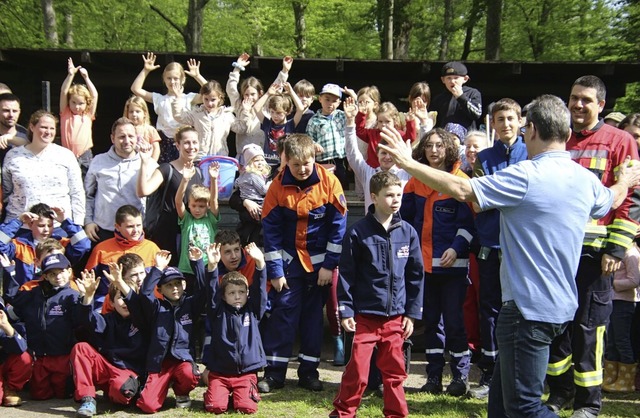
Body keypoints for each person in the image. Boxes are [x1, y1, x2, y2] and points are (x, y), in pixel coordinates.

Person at [378, 94, 640, 418]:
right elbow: (611, 201)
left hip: (526, 312)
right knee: (500, 406)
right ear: (567, 133)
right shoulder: (583, 179)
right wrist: (625, 181)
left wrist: (408, 164)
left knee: (524, 408)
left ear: (530, 130)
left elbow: (462, 191)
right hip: (559, 308)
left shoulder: (526, 176)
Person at [546, 76, 640, 418]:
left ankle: (588, 402)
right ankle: (559, 392)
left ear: (601, 104)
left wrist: (615, 249)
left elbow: (631, 200)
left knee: (589, 329)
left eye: (586, 99)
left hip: (596, 255)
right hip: (556, 253)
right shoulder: (558, 138)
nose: (578, 105)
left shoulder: (620, 141)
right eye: (573, 98)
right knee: (556, 324)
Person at [330, 171, 424, 418]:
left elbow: (416, 277)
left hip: (396, 318)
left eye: (399, 195)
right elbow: (347, 275)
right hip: (364, 318)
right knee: (358, 372)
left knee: (395, 373)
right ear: (374, 197)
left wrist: (412, 314)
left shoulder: (408, 232)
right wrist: (346, 310)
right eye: (389, 195)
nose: (395, 200)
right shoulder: (358, 233)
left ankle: (396, 414)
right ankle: (343, 412)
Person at [259, 133, 347, 393]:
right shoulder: (276, 186)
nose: (301, 169)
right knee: (283, 316)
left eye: (306, 163)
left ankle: (309, 373)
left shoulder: (330, 183)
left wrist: (329, 266)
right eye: (295, 164)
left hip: (320, 267)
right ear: (286, 162)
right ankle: (274, 374)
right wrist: (275, 272)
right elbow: (271, 232)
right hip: (289, 266)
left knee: (311, 320)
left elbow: (338, 229)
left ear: (314, 157)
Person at [402, 128, 475, 397]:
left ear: (448, 149)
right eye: (429, 146)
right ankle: (433, 377)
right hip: (424, 269)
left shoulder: (460, 180)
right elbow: (406, 224)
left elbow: (468, 227)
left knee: (455, 322)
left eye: (439, 146)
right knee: (431, 323)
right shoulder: (414, 182)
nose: (434, 151)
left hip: (452, 269)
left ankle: (460, 377)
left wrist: (456, 249)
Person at [469, 99, 528, 399]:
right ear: (492, 123)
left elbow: (531, 199)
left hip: (523, 246)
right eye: (499, 119)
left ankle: (523, 375)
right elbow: (479, 201)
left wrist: (498, 194)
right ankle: (491, 375)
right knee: (490, 308)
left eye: (510, 118)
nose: (505, 124)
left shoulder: (532, 154)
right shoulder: (484, 157)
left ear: (521, 121)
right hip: (491, 243)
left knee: (521, 307)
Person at [195, 242, 267, 414]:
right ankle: (216, 393)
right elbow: (211, 291)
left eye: (241, 292)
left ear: (247, 294)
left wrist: (260, 263)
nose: (237, 297)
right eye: (231, 293)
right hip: (220, 373)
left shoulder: (253, 310)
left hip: (245, 374)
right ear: (223, 296)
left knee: (247, 408)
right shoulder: (217, 311)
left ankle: (242, 394)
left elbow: (261, 290)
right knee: (216, 407)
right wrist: (212, 266)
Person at [132, 250, 205, 413]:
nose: (174, 289)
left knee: (188, 373)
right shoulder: (156, 308)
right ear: (160, 289)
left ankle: (182, 393)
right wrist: (157, 268)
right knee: (148, 406)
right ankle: (159, 389)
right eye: (169, 285)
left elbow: (203, 290)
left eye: (178, 284)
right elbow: (144, 293)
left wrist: (197, 262)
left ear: (184, 285)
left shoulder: (190, 305)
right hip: (160, 364)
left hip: (182, 361)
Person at [70, 265, 146, 417]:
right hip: (106, 367)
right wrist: (88, 297)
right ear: (111, 302)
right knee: (81, 347)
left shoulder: (144, 320)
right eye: (119, 298)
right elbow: (88, 321)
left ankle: (113, 392)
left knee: (121, 395)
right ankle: (88, 399)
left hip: (127, 372)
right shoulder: (108, 320)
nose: (124, 302)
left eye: (127, 297)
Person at [3, 253, 80, 400]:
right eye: (52, 274)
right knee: (39, 395)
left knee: (63, 394)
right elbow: (12, 297)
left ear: (69, 271)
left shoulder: (73, 296)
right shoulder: (34, 294)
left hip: (62, 355)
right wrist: (8, 271)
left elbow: (81, 321)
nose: (58, 277)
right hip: (39, 356)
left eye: (61, 272)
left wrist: (87, 299)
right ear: (45, 276)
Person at [2, 110, 85, 225]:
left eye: (52, 128)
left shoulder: (66, 155)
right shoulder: (13, 156)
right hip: (20, 226)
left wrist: (78, 224)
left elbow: (77, 192)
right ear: (32, 127)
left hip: (57, 226)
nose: (48, 132)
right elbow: (7, 191)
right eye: (44, 127)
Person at [136, 126, 203, 263]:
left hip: (189, 235)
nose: (191, 147)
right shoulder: (166, 169)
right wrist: (144, 162)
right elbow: (143, 191)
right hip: (167, 234)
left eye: (194, 142)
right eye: (186, 142)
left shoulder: (199, 172)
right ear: (177, 145)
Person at [84, 117, 156, 243]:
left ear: (137, 137)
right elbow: (87, 195)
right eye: (121, 136)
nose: (127, 141)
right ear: (113, 138)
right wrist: (88, 221)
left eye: (131, 136)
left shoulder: (148, 163)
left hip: (137, 232)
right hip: (104, 230)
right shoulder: (98, 161)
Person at [130, 52, 206, 163]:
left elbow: (211, 93)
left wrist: (197, 76)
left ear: (182, 80)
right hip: (164, 143)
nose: (172, 81)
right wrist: (145, 70)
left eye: (176, 78)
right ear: (164, 80)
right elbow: (135, 89)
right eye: (169, 78)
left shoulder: (189, 98)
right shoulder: (159, 98)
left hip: (184, 141)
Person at [85, 205, 160, 310]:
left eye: (139, 225)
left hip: (145, 305)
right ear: (117, 227)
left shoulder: (152, 248)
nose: (136, 230)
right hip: (109, 306)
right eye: (130, 226)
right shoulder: (101, 249)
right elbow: (88, 279)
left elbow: (162, 282)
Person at [0, 203, 90, 288]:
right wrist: (18, 221)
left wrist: (65, 221)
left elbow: (83, 244)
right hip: (27, 295)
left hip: (60, 295)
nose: (46, 229)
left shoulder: (61, 244)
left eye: (50, 225)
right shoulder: (19, 245)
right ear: (30, 224)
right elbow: (1, 242)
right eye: (41, 225)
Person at [226, 54, 290, 157]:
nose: (249, 97)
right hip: (243, 156)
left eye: (252, 94)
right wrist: (237, 68)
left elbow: (277, 87)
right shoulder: (239, 106)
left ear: (260, 93)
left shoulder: (266, 105)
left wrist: (284, 71)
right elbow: (231, 89)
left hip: (262, 155)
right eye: (246, 94)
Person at [601, 239, 640, 393]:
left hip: (625, 303)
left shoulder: (631, 254)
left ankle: (626, 380)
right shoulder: (621, 252)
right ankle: (611, 377)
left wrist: (612, 283)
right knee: (611, 341)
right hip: (612, 301)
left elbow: (635, 280)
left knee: (622, 340)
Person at [175, 160, 219, 279]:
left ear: (207, 206)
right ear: (189, 204)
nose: (197, 210)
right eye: (194, 206)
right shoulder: (187, 220)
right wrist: (185, 180)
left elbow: (214, 201)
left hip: (206, 265)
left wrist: (213, 179)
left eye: (201, 206)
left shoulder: (210, 220)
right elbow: (178, 202)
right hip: (187, 268)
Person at [172, 79, 236, 159]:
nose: (209, 103)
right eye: (206, 99)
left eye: (213, 100)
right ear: (202, 97)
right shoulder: (197, 114)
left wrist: (246, 111)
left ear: (219, 98)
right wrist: (177, 98)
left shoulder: (227, 115)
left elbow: (241, 128)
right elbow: (179, 116)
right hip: (200, 158)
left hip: (220, 157)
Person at [59, 57, 98, 177]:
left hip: (85, 154)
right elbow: (64, 92)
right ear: (69, 102)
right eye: (73, 103)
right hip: (67, 153)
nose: (77, 107)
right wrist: (70, 75)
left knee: (87, 183)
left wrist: (86, 78)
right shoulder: (65, 113)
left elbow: (95, 95)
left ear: (86, 103)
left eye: (81, 103)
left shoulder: (87, 115)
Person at [253, 81, 305, 171]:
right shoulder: (267, 124)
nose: (275, 116)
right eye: (272, 112)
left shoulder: (290, 124)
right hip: (268, 164)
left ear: (287, 112)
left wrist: (291, 92)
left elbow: (300, 109)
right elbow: (256, 108)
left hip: (284, 165)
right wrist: (268, 93)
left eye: (279, 113)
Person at [306, 83, 349, 188]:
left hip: (340, 159)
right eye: (327, 99)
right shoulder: (314, 120)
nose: (330, 103)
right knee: (324, 186)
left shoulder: (342, 116)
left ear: (339, 102)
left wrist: (352, 95)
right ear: (320, 99)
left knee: (341, 186)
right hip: (323, 160)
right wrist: (314, 144)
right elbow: (308, 138)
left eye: (334, 101)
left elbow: (357, 114)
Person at [355, 100, 417, 169]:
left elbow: (410, 138)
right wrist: (361, 115)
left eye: (387, 121)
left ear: (394, 121)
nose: (383, 124)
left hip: (393, 171)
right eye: (380, 121)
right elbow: (360, 131)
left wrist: (410, 122)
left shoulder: (398, 135)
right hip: (373, 170)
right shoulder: (372, 133)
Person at [235, 144, 271, 247]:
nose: (260, 163)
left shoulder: (244, 175)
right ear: (249, 163)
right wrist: (271, 184)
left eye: (262, 160)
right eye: (255, 161)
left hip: (248, 205)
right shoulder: (253, 175)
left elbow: (236, 183)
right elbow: (264, 190)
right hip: (257, 203)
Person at [431, 61, 482, 131]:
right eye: (449, 78)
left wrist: (461, 97)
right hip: (445, 138)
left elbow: (477, 114)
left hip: (466, 138)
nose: (452, 81)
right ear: (443, 80)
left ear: (465, 79)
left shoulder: (473, 93)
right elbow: (433, 122)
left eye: (456, 78)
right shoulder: (438, 98)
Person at [0, 295, 30, 407]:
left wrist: (6, 326)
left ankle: (10, 388)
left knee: (25, 357)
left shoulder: (9, 326)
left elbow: (22, 348)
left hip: (5, 365)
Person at [123, 96, 161, 161]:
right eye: (131, 112)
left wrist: (152, 164)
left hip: (145, 161)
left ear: (145, 113)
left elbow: (156, 149)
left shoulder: (150, 129)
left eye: (137, 111)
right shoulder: (124, 129)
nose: (134, 114)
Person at [0, 92, 28, 163]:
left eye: (14, 111)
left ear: (19, 112)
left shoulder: (27, 135)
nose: (11, 115)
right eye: (6, 110)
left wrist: (11, 138)